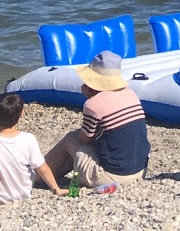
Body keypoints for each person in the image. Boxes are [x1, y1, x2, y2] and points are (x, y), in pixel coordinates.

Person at [42, 50, 150, 192]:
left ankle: (37, 177)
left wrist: (88, 97)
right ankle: (49, 176)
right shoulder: (130, 94)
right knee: (82, 146)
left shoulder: (93, 104)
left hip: (113, 177)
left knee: (71, 139)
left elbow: (84, 139)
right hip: (140, 170)